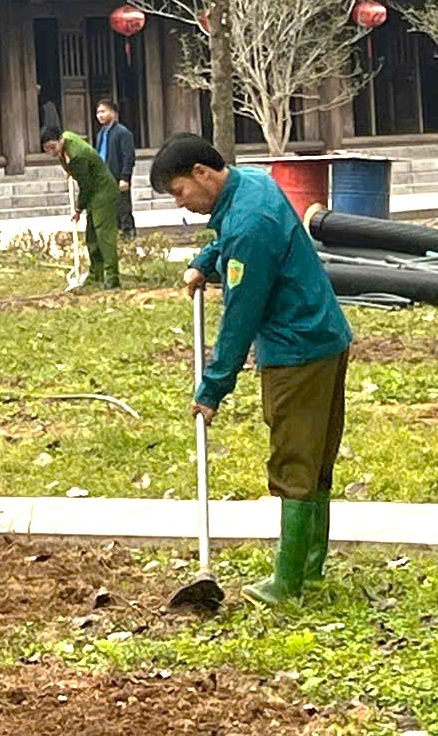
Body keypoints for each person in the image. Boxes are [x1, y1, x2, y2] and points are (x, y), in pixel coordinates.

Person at [159, 133, 354, 606]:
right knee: (315, 461)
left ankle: (289, 585)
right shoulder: (254, 187)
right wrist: (206, 261)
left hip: (296, 352)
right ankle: (308, 573)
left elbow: (240, 316)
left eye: (180, 192)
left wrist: (212, 388)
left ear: (202, 174)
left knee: (294, 462)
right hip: (325, 336)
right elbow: (232, 242)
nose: (183, 205)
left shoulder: (249, 222)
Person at [43, 124, 125, 291]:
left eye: (53, 147)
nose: (51, 152)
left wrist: (79, 209)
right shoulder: (66, 141)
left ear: (61, 140)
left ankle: (112, 278)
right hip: (94, 193)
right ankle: (96, 274)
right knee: (91, 236)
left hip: (103, 192)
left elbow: (85, 185)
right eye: (47, 149)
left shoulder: (76, 156)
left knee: (104, 235)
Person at [95, 98, 138, 253]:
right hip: (104, 180)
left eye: (103, 111)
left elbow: (128, 157)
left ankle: (129, 243)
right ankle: (116, 244)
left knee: (123, 211)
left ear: (113, 112)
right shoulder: (101, 134)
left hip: (118, 178)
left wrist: (125, 177)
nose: (100, 115)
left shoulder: (122, 133)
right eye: (98, 112)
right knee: (110, 213)